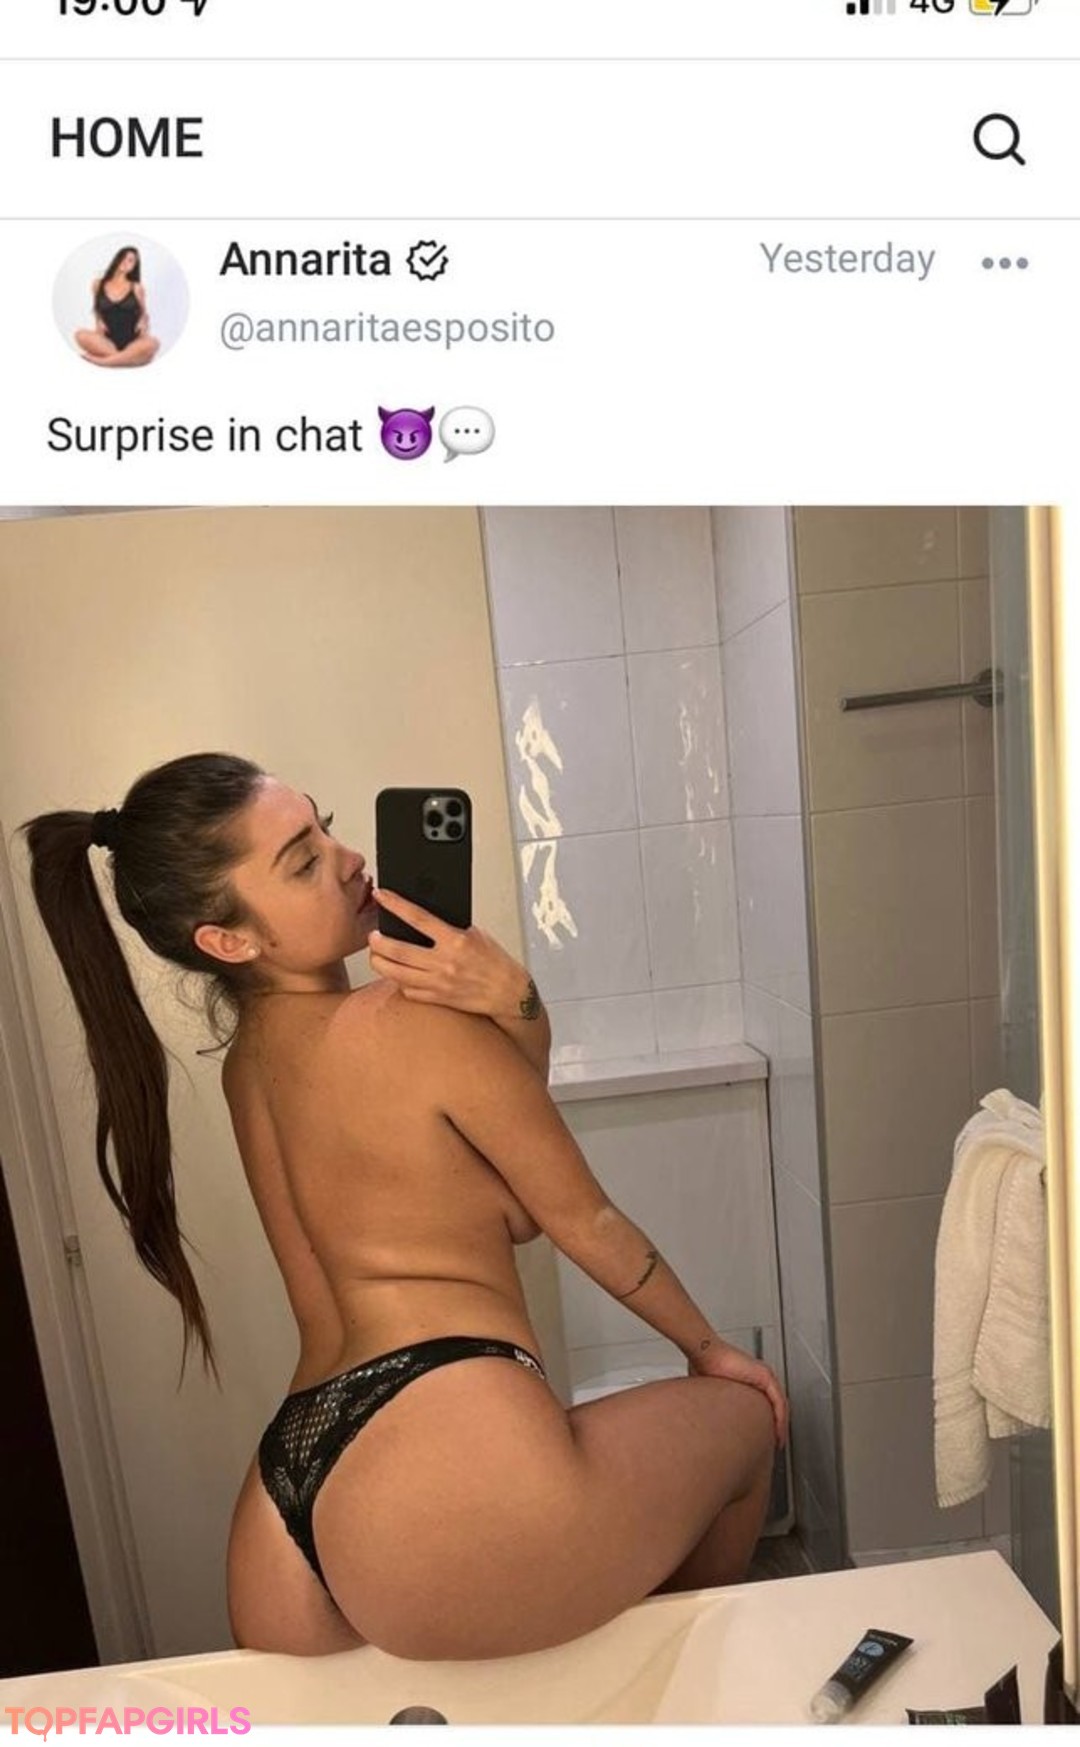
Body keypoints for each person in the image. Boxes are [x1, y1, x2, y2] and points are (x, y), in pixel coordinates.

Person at [21, 752, 788, 1663]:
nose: (349, 860)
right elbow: (567, 1217)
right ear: (228, 940)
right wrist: (710, 1348)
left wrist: (513, 1018)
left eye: (326, 827)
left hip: (294, 1484)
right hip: (442, 1440)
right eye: (303, 862)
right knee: (746, 1426)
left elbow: (477, 1195)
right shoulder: (411, 1021)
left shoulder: (248, 1068)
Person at [73, 246, 160, 368]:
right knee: (80, 335)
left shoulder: (136, 287)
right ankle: (131, 359)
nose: (125, 262)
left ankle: (102, 361)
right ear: (117, 259)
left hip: (133, 342)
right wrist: (99, 321)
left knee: (154, 343)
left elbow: (144, 313)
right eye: (123, 258)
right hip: (107, 342)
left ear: (134, 266)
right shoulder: (98, 284)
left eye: (131, 261)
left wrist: (143, 320)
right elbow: (97, 309)